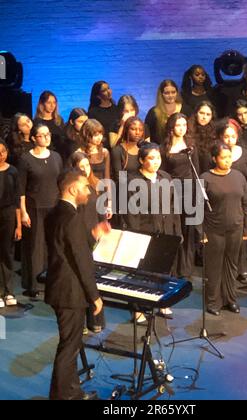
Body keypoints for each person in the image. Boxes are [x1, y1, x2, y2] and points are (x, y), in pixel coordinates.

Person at [45, 169, 111, 400]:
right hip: (70, 292)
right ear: (73, 189)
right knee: (69, 346)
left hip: (58, 287)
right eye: (84, 187)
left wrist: (93, 235)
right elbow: (81, 260)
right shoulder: (72, 217)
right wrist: (95, 296)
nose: (88, 191)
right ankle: (62, 396)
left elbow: (68, 247)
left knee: (70, 344)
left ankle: (71, 391)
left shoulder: (54, 213)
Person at [122, 143, 182, 322]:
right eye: (151, 158)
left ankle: (162, 303)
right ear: (141, 160)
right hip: (144, 232)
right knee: (141, 272)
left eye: (158, 158)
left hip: (165, 230)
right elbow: (130, 212)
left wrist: (177, 231)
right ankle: (138, 309)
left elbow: (173, 206)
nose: (156, 162)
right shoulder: (133, 182)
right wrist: (136, 237)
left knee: (164, 269)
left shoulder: (166, 177)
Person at [200, 143, 247, 316]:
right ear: (214, 159)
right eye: (223, 157)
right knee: (214, 267)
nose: (227, 161)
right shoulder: (205, 178)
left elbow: (246, 204)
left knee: (232, 265)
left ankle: (230, 299)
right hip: (213, 229)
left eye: (229, 157)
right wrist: (201, 232)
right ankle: (214, 302)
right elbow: (197, 207)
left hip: (235, 228)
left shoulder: (238, 176)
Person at [18, 123, 63, 297]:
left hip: (53, 206)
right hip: (34, 207)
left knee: (53, 245)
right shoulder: (25, 159)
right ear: (33, 138)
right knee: (36, 247)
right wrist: (23, 212)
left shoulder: (56, 157)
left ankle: (52, 281)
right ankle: (35, 284)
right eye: (42, 135)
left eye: (48, 134)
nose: (46, 138)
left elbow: (60, 182)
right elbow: (21, 189)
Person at [70, 151, 112, 332]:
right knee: (82, 278)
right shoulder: (74, 187)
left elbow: (101, 209)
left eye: (87, 165)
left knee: (95, 278)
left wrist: (104, 225)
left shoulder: (96, 184)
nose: (85, 169)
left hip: (96, 234)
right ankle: (82, 321)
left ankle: (95, 320)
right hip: (82, 235)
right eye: (81, 167)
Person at [217, 118, 247, 285]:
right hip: (223, 201)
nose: (229, 139)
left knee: (242, 236)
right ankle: (224, 270)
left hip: (242, 200)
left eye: (232, 136)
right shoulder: (217, 154)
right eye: (226, 136)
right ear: (221, 137)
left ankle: (242, 268)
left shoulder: (245, 154)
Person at [161, 113, 199, 277]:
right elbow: (162, 172)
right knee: (175, 228)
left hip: (189, 190)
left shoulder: (191, 146)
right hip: (172, 190)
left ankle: (186, 268)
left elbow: (196, 168)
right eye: (178, 125)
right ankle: (174, 267)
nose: (182, 128)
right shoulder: (164, 148)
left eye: (184, 125)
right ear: (171, 127)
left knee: (188, 229)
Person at [0, 140, 22, 308]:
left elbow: (16, 200)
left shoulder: (13, 171)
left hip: (8, 215)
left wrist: (18, 225)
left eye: (3, 151)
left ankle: (9, 291)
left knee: (7, 254)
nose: (1, 155)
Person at [145, 80, 192, 144]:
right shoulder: (153, 112)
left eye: (173, 92)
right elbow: (146, 132)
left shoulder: (186, 110)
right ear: (161, 94)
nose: (170, 95)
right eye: (167, 93)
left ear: (177, 93)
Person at [111, 116, 145, 183]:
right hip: (125, 190)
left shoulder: (143, 149)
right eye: (133, 129)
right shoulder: (118, 151)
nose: (137, 132)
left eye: (140, 130)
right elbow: (120, 178)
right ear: (126, 130)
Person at [187, 100, 217, 174]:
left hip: (208, 172)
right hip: (190, 172)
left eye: (208, 114)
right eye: (201, 113)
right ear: (196, 113)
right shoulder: (187, 129)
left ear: (211, 116)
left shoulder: (215, 132)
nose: (204, 117)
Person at [34, 91, 65, 157]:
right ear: (42, 104)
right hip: (44, 155)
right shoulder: (37, 122)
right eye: (49, 103)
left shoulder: (59, 119)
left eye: (54, 102)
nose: (52, 105)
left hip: (60, 154)